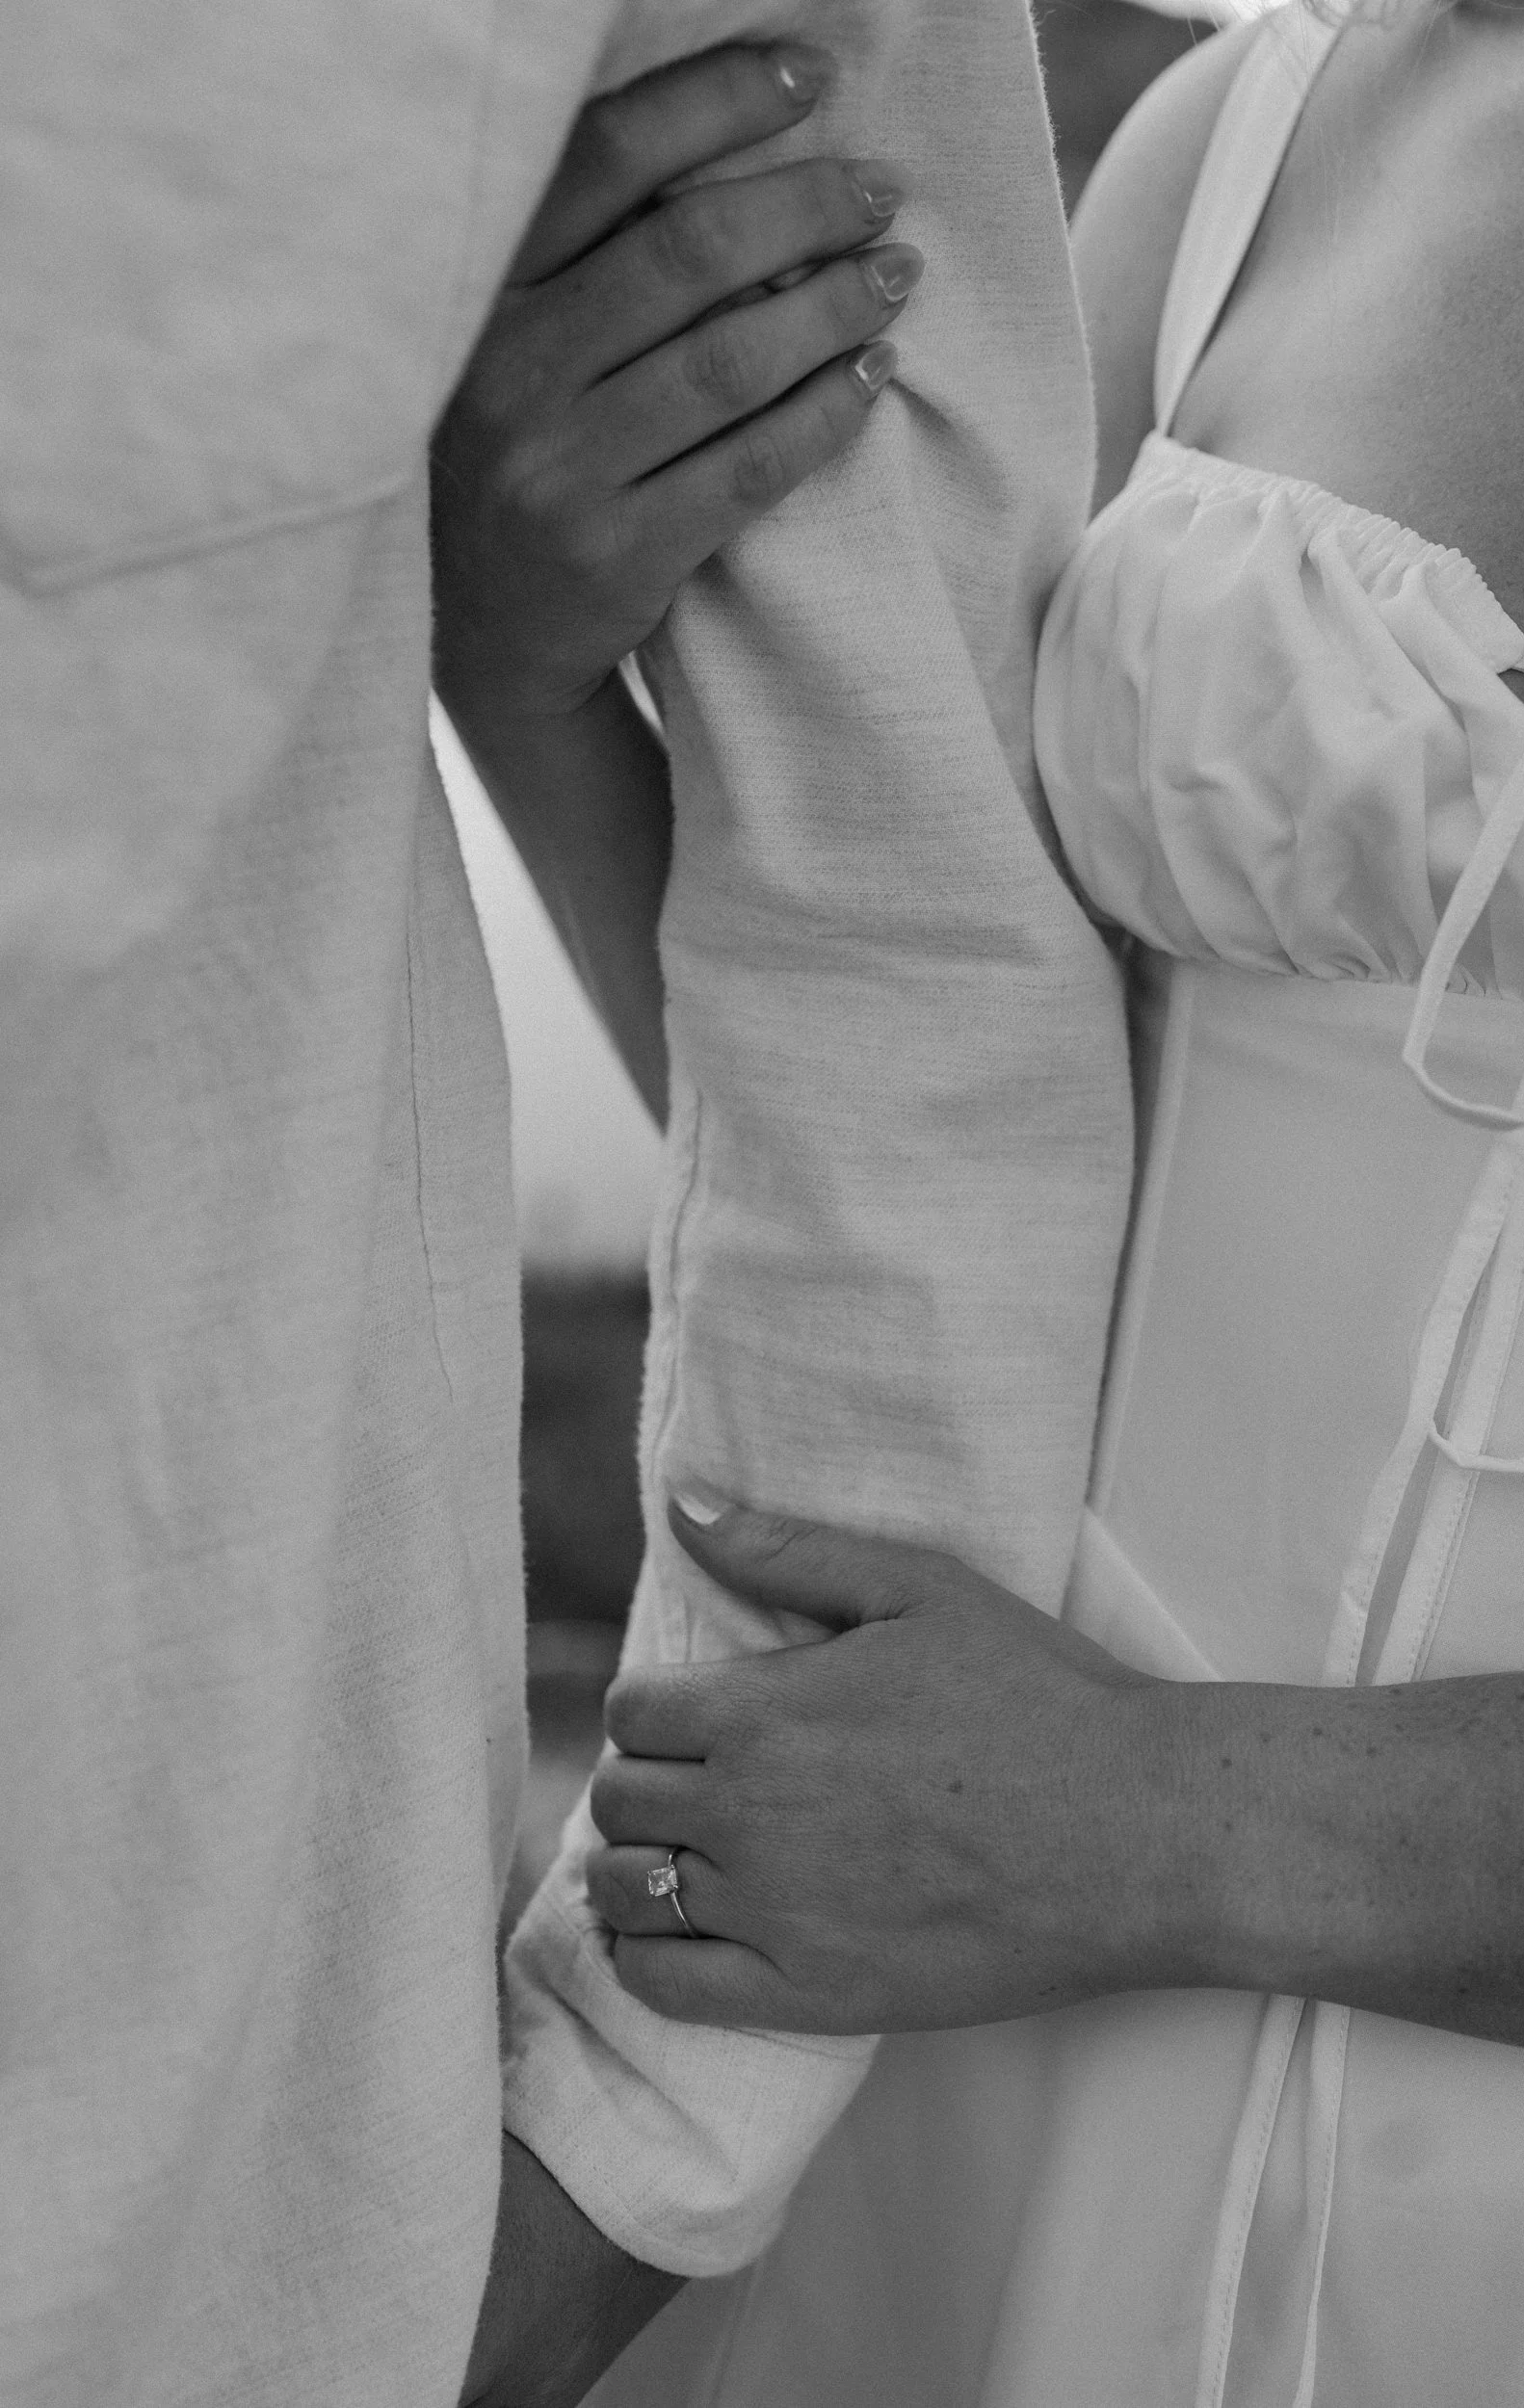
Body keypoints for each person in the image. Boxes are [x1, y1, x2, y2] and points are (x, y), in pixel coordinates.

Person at [459, 2, 1524, 2401]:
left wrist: (1171, 1824)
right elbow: (926, 1178)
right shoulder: (1223, 150)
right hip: (947, 2068)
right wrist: (532, 680)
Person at [2, 8, 1128, 2405]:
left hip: (157, 2174)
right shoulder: (1230, 158)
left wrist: (622, 2145)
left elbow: (911, 972)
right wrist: (508, 670)